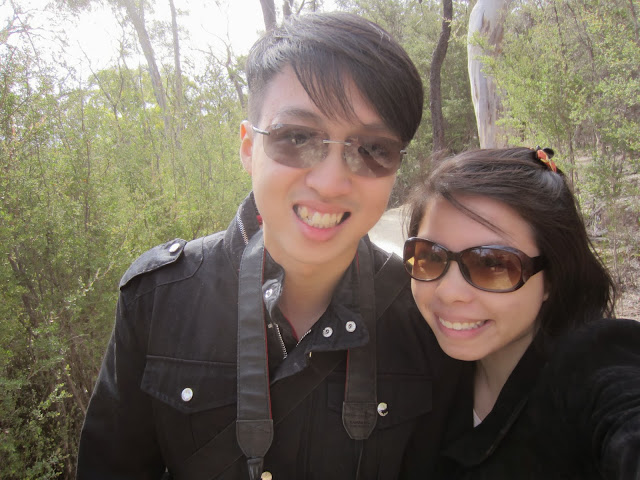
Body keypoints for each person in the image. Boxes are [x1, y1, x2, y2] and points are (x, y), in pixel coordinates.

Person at [76, 12, 467, 480]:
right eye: (297, 137)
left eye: (371, 149)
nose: (330, 182)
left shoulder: (425, 312)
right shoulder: (159, 299)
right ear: (248, 147)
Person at [402, 147, 640, 479]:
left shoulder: (592, 362)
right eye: (429, 256)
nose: (448, 292)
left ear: (552, 277)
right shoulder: (418, 358)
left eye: (492, 263)